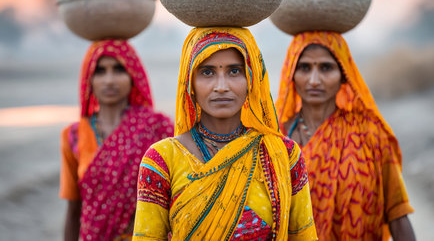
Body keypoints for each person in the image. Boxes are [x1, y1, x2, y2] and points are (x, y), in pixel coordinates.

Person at [132, 28, 318, 240]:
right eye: (207, 72)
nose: (221, 87)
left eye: (234, 71)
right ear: (189, 82)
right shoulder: (162, 159)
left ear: (252, 79)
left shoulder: (284, 155)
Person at [275, 31, 415, 240]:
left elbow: (397, 211)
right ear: (291, 74)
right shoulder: (276, 139)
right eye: (304, 67)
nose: (314, 80)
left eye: (326, 67)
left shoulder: (370, 134)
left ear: (343, 74)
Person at [59, 40, 174, 241]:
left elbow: (174, 201)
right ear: (89, 78)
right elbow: (73, 209)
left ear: (133, 75)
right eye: (100, 71)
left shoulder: (158, 128)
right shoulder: (74, 135)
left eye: (119, 69)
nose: (109, 80)